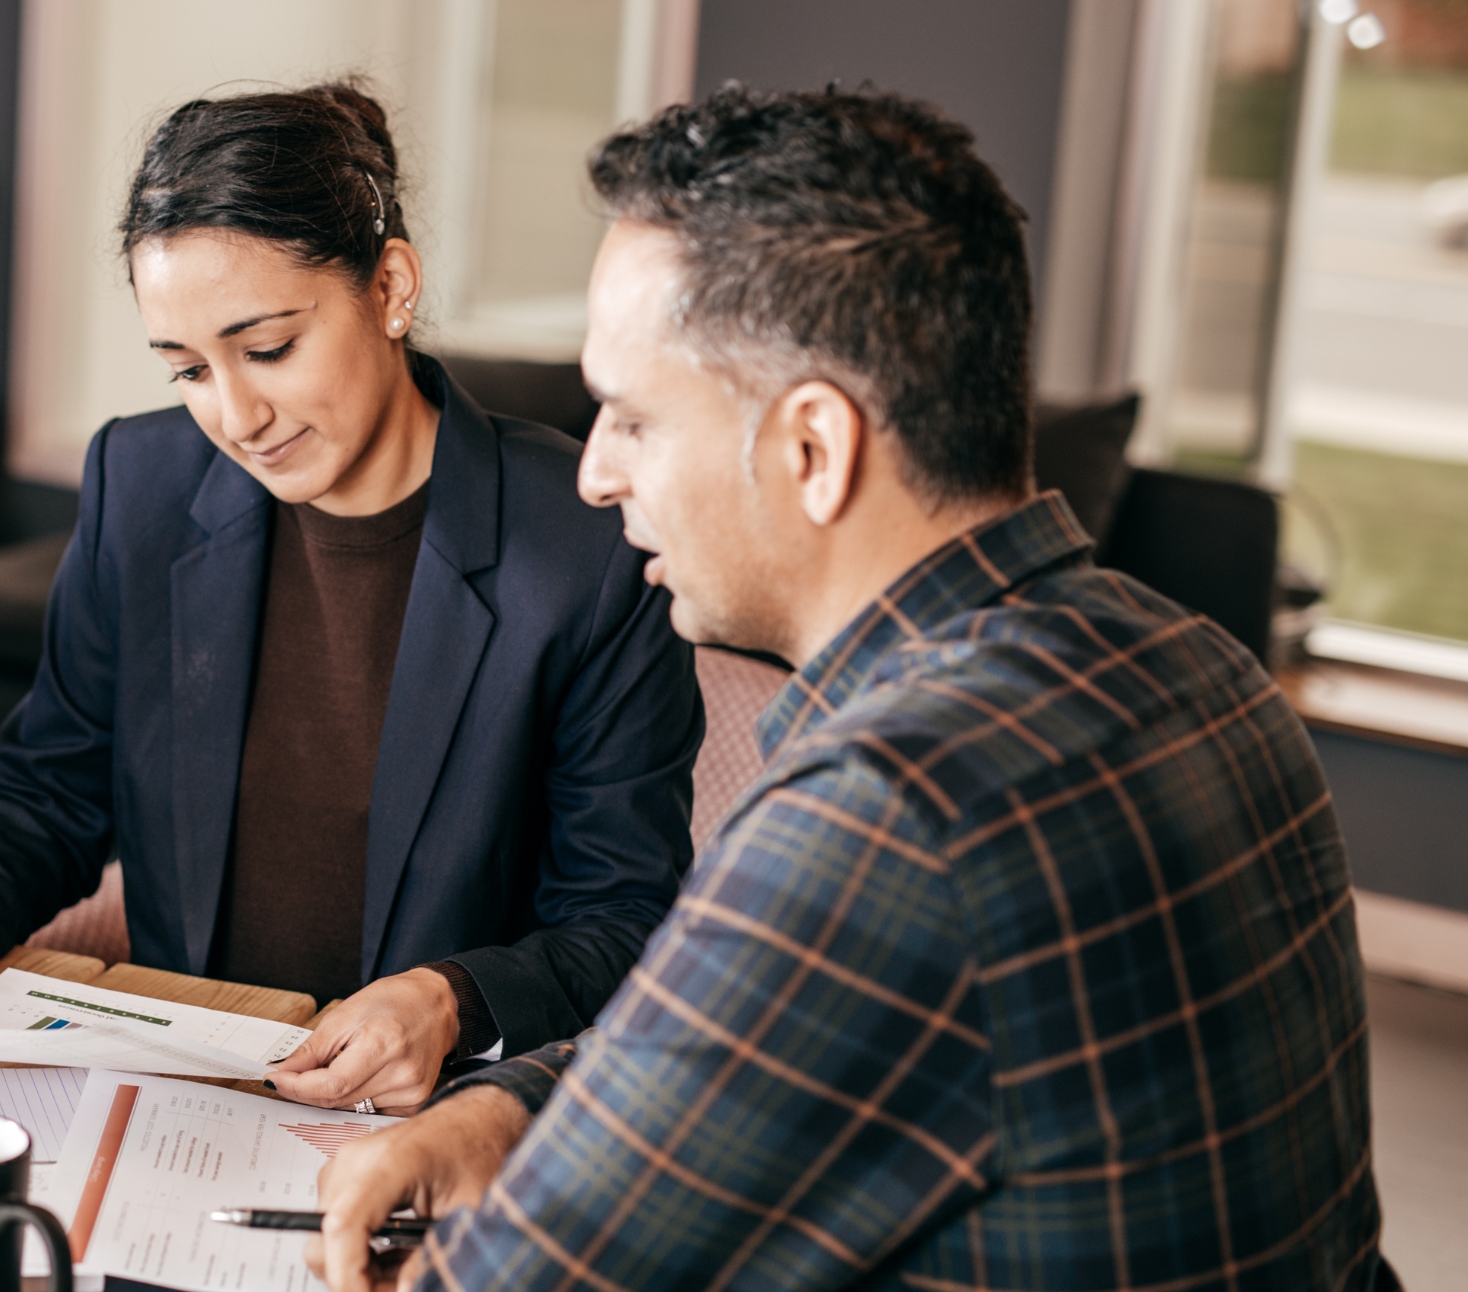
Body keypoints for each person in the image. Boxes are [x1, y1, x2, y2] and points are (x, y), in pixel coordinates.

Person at [310, 87, 1392, 1290]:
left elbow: (513, 1278)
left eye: (631, 418)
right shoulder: (1195, 663)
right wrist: (511, 1106)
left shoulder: (892, 806)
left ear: (812, 448)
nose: (597, 476)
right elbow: (755, 1039)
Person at [0, 83, 703, 1115]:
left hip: (442, 1115)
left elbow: (624, 911)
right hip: (189, 1091)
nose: (235, 414)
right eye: (187, 369)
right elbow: (51, 792)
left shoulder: (584, 542)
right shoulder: (142, 485)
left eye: (267, 348)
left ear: (390, 285)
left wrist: (454, 998)